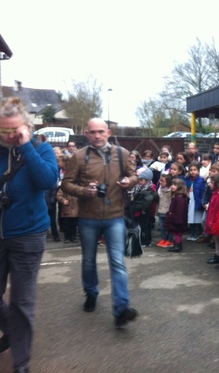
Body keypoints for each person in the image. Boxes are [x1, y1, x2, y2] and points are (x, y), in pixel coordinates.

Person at [61, 118, 139, 328]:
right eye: (93, 132)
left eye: (101, 132)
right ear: (87, 134)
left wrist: (128, 182)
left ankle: (121, 309)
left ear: (108, 132)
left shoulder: (121, 153)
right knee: (88, 260)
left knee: (118, 262)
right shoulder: (79, 156)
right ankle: (91, 292)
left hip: (115, 216)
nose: (97, 136)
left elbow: (133, 175)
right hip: (88, 217)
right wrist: (84, 191)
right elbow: (66, 184)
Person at [0, 97, 59, 373]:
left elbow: (47, 181)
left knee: (22, 301)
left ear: (26, 126)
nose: (10, 136)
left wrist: (26, 148)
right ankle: (12, 331)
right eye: (5, 131)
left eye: (16, 130)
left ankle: (21, 363)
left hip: (28, 235)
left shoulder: (41, 149)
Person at [131, 168, 157, 247]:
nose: (139, 181)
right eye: (139, 179)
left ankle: (146, 241)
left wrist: (143, 209)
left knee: (145, 226)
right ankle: (141, 239)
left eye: (141, 180)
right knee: (140, 225)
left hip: (144, 211)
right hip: (138, 209)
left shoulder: (149, 189)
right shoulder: (138, 187)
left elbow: (148, 201)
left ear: (147, 180)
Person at [165, 178, 189, 253]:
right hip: (176, 218)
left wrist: (177, 219)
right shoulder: (177, 197)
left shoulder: (179, 198)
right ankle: (177, 244)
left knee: (177, 233)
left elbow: (180, 210)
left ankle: (178, 245)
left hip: (177, 219)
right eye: (172, 184)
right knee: (176, 233)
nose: (172, 186)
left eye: (175, 185)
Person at [185, 161, 205, 241]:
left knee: (197, 218)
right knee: (190, 218)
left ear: (198, 171)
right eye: (191, 170)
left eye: (195, 170)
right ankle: (192, 233)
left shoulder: (201, 180)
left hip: (197, 201)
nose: (193, 172)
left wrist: (201, 202)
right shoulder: (187, 180)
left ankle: (196, 234)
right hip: (190, 200)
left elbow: (202, 191)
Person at [156, 173, 174, 248]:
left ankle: (170, 240)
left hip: (168, 212)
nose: (161, 182)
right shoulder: (159, 189)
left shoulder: (171, 190)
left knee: (169, 227)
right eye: (160, 181)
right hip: (160, 211)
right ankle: (163, 238)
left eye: (163, 181)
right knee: (162, 227)